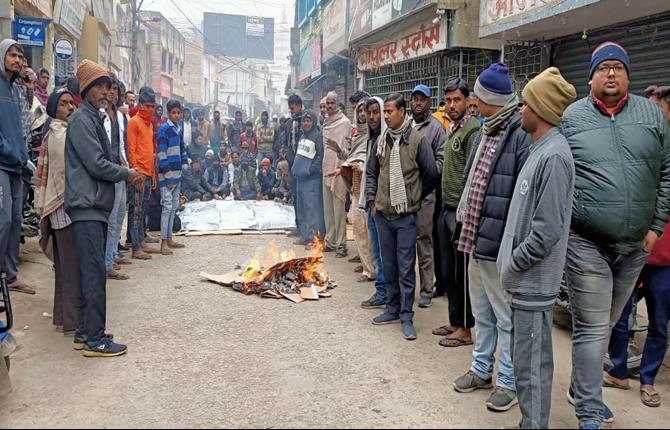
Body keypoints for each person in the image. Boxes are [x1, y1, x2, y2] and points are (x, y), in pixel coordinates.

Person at [561, 41, 670, 429]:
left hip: (636, 246)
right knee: (592, 328)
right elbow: (560, 175)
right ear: (590, 76)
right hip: (586, 242)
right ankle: (589, 411)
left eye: (618, 67)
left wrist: (656, 227)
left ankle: (580, 386)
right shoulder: (571, 117)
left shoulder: (651, 116)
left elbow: (667, 173)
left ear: (628, 74)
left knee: (605, 324)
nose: (611, 73)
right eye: (604, 67)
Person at [497, 67, 576, 429]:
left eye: (525, 103)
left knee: (532, 370)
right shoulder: (540, 149)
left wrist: (513, 264)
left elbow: (545, 232)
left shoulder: (555, 156)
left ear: (540, 109)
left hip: (533, 285)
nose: (520, 110)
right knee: (526, 363)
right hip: (523, 285)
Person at [453, 62, 531, 412]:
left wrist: (509, 245)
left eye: (477, 98)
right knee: (482, 311)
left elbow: (519, 197)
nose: (472, 103)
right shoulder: (487, 130)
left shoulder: (518, 134)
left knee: (505, 316)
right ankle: (481, 368)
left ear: (491, 100)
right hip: (475, 238)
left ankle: (508, 382)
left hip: (498, 244)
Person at [65, 59, 141, 357]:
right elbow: (97, 164)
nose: (106, 92)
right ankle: (95, 340)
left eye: (107, 87)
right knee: (95, 274)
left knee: (91, 272)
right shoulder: (83, 120)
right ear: (86, 89)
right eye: (99, 86)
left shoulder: (92, 118)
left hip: (93, 205)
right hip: (87, 205)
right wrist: (126, 173)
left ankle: (86, 332)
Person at [365, 92, 438, 340]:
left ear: (402, 112)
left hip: (406, 217)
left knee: (406, 268)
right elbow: (371, 172)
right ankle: (392, 309)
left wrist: (414, 197)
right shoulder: (381, 141)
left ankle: (407, 316)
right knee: (390, 265)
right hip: (383, 215)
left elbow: (431, 175)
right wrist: (372, 200)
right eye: (384, 112)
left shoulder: (417, 141)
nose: (385, 116)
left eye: (389, 111)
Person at [433, 78, 480, 348]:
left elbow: (472, 174)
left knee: (462, 273)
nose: (451, 105)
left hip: (461, 213)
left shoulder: (472, 131)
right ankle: (454, 321)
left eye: (457, 100)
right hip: (445, 208)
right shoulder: (452, 129)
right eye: (448, 100)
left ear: (467, 101)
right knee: (448, 271)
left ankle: (465, 327)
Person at [34, 88, 78, 332]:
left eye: (71, 103)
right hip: (63, 207)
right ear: (54, 109)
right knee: (70, 267)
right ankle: (72, 321)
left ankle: (62, 318)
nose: (70, 107)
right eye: (64, 104)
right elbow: (63, 176)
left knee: (64, 267)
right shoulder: (59, 135)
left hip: (59, 207)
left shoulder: (57, 131)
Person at [326, 98, 374, 281]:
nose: (363, 114)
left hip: (368, 188)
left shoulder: (374, 134)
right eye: (361, 111)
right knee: (359, 229)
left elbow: (368, 159)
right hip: (356, 185)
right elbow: (353, 157)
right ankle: (366, 265)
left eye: (366, 111)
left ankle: (371, 270)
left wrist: (359, 166)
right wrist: (340, 152)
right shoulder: (358, 135)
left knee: (367, 230)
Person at [0, 39, 34, 295]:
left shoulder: (16, 89)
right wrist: (9, 151)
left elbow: (23, 126)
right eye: (12, 55)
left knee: (15, 221)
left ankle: (10, 276)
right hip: (2, 162)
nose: (17, 60)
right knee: (3, 220)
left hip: (17, 166)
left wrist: (23, 155)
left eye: (20, 57)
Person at [409, 84, 445, 308]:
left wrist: (424, 180)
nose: (417, 103)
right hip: (405, 195)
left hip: (425, 195)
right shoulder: (406, 125)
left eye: (422, 99)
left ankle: (426, 290)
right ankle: (406, 289)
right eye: (414, 99)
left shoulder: (437, 129)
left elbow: (441, 163)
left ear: (430, 102)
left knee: (424, 242)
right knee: (404, 243)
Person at [101, 75, 131, 281]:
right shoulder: (99, 114)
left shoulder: (120, 117)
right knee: (111, 218)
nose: (113, 92)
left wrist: (128, 169)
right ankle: (106, 264)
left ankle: (112, 253)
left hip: (120, 169)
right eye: (110, 89)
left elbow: (122, 146)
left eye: (116, 90)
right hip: (106, 171)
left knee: (120, 214)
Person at [360, 96, 388, 309]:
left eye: (375, 112)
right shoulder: (372, 138)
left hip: (384, 206)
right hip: (372, 204)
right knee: (376, 250)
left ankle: (386, 292)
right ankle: (382, 290)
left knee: (383, 252)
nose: (371, 117)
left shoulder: (386, 139)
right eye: (369, 113)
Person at [126, 86, 160, 260]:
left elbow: (150, 150)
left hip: (148, 172)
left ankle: (142, 241)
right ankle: (136, 246)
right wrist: (135, 172)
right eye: (146, 105)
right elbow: (131, 149)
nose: (149, 109)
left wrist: (153, 173)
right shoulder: (134, 122)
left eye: (152, 106)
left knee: (143, 209)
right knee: (135, 211)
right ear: (140, 105)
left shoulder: (149, 125)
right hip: (138, 174)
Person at [322, 91, 352, 257]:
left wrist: (343, 168)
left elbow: (348, 149)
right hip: (326, 169)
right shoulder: (325, 122)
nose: (329, 106)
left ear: (337, 104)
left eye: (332, 103)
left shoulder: (345, 123)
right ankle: (331, 241)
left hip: (339, 169)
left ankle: (341, 245)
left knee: (339, 209)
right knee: (328, 210)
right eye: (328, 103)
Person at [157, 99, 187, 255]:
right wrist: (168, 176)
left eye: (178, 113)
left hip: (177, 174)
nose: (176, 115)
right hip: (167, 176)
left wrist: (184, 165)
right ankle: (163, 243)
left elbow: (181, 150)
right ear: (169, 114)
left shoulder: (177, 129)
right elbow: (161, 154)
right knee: (167, 208)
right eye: (173, 113)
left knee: (174, 207)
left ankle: (169, 238)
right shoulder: (164, 130)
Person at [291, 110, 326, 248]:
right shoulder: (302, 136)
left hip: (311, 179)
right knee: (302, 209)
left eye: (308, 121)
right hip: (300, 179)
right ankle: (304, 236)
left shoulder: (317, 137)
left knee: (311, 209)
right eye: (304, 121)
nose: (306, 123)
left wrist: (310, 170)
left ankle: (313, 239)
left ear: (313, 122)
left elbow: (319, 157)